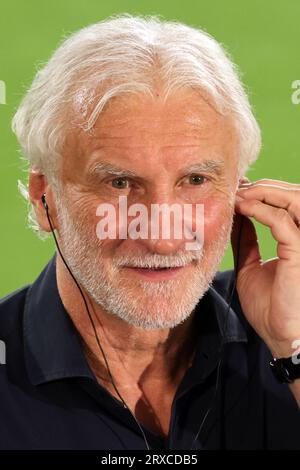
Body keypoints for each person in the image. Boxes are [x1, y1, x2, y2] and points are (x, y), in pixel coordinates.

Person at [0, 15, 299, 450]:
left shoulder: (285, 321)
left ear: (240, 193)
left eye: (195, 180)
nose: (162, 236)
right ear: (45, 198)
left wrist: (292, 346)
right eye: (120, 184)